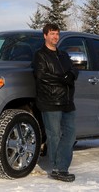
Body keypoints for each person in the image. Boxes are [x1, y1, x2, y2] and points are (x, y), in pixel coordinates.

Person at [32, 23, 79, 182]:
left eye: (57, 34)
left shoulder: (64, 55)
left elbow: (73, 69)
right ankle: (59, 169)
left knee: (71, 134)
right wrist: (62, 79)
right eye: (52, 34)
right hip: (50, 101)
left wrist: (71, 74)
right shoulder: (40, 55)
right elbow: (41, 76)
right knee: (54, 136)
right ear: (45, 36)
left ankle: (62, 166)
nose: (55, 37)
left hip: (67, 101)